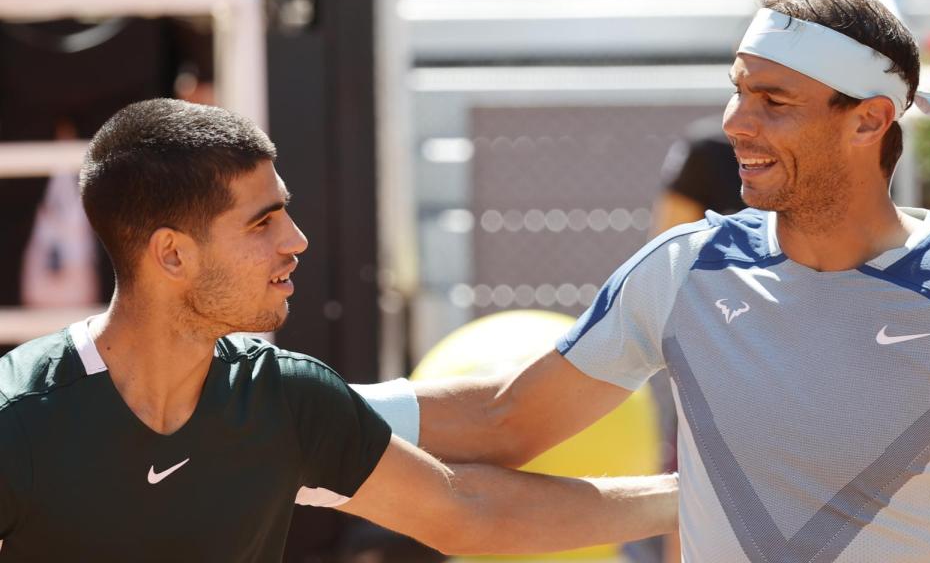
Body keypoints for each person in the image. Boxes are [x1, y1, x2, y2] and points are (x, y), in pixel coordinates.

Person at [390, 0, 930, 561]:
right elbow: (505, 420)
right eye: (739, 90)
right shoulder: (682, 267)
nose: (735, 121)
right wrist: (303, 399)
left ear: (868, 120)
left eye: (773, 102)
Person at [0, 98, 678, 561]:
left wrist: (695, 497)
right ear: (173, 253)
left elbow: (467, 506)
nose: (296, 240)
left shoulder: (287, 400)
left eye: (285, 213)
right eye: (262, 222)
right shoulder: (17, 419)